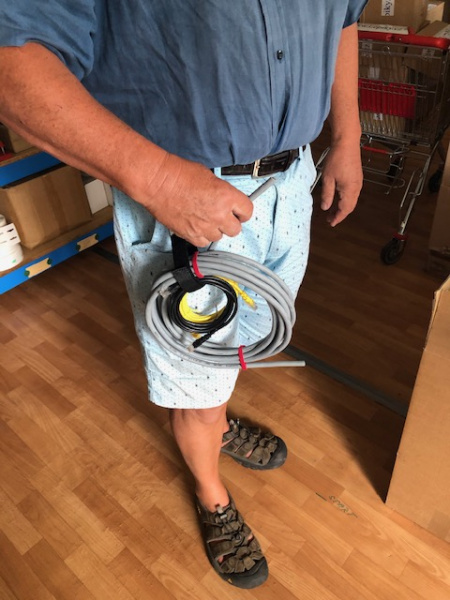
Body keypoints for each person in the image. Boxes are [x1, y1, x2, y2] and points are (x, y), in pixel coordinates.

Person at [0, 1, 367, 589]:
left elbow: (344, 17)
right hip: (184, 198)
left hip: (291, 182)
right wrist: (161, 180)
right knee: (195, 374)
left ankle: (214, 422)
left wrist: (348, 138)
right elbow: (11, 63)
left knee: (245, 341)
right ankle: (210, 490)